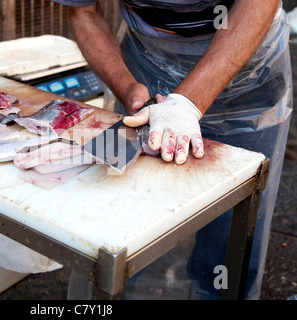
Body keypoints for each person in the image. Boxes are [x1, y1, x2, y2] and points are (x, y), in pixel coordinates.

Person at [54, 0, 293, 299]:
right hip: (145, 64)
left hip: (247, 75)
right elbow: (84, 12)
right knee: (125, 221)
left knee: (230, 235)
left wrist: (188, 101)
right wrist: (127, 86)